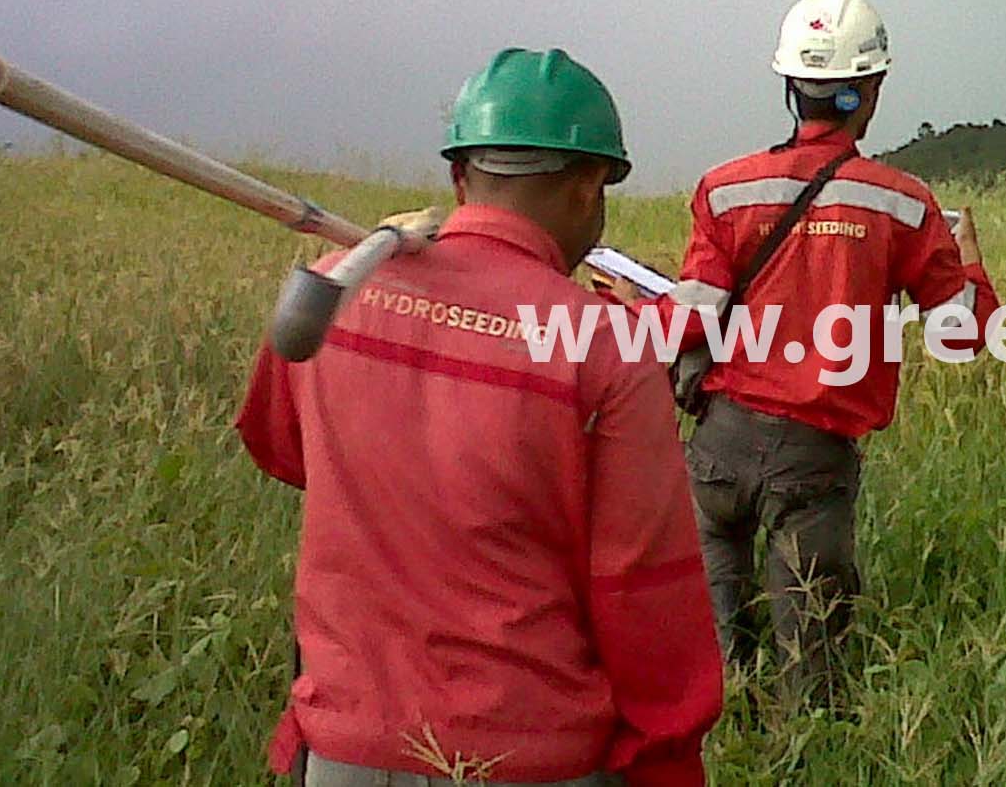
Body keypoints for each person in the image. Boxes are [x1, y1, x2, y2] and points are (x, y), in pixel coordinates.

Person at [234, 48, 722, 786]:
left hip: (343, 752)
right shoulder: (606, 347)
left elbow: (279, 448)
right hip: (530, 756)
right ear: (589, 184)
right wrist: (667, 762)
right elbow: (645, 594)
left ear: (460, 176)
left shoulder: (335, 291)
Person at [623, 0, 996, 704]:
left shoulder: (724, 189)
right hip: (814, 459)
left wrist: (626, 312)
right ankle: (803, 745)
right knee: (812, 659)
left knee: (711, 646)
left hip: (720, 446)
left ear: (792, 87)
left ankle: (722, 730)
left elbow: (689, 318)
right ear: (870, 92)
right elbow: (961, 332)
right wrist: (971, 264)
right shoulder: (904, 204)